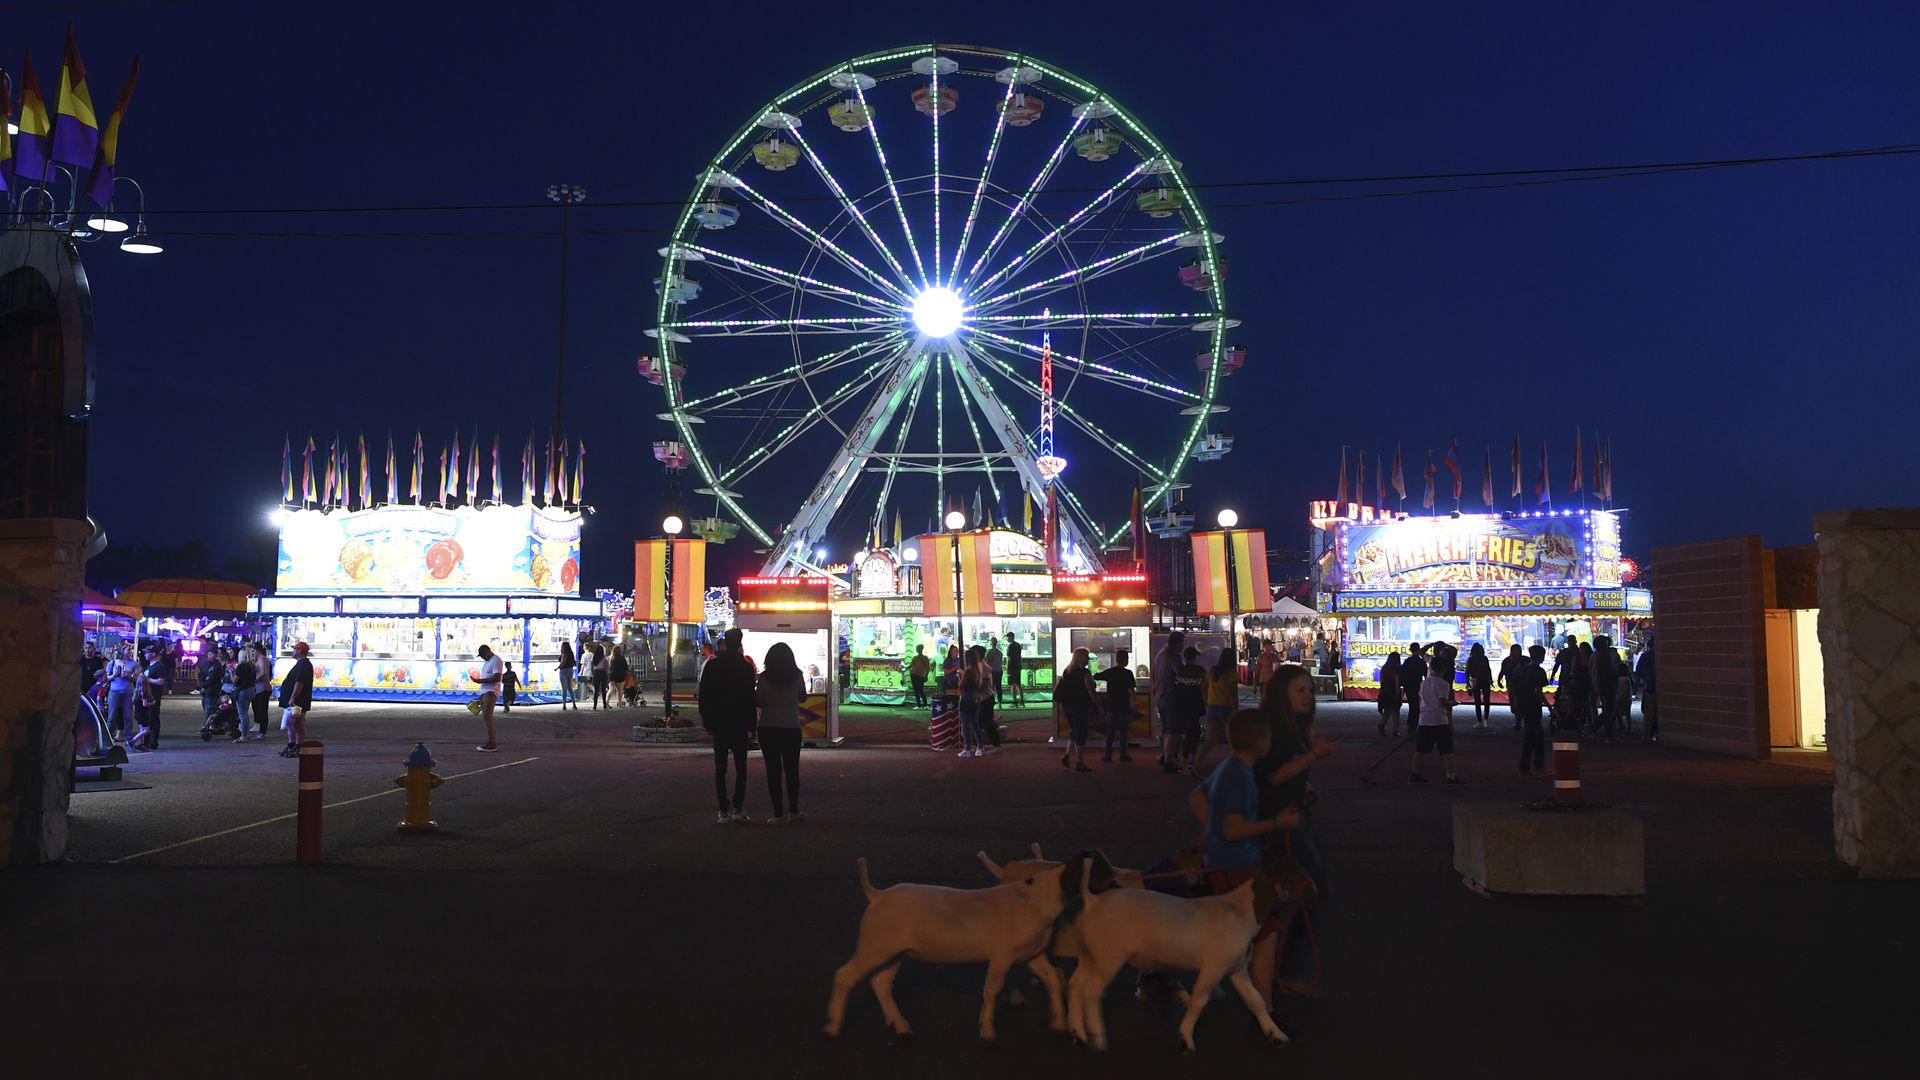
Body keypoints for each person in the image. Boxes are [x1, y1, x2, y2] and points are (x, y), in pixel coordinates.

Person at [1191, 708, 1298, 1011]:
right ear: (1261, 742)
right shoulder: (1240, 776)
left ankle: (1260, 1003)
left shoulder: (1229, 766)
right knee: (1266, 931)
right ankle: (1264, 1007)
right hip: (1236, 864)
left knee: (1251, 932)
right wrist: (1277, 823)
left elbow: (1197, 798)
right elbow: (1234, 829)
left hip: (1223, 860)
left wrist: (1211, 833)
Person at [1252, 666, 1339, 1000]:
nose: (1308, 696)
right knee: (1311, 891)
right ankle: (1285, 970)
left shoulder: (1289, 726)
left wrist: (1305, 783)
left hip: (1285, 817)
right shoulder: (1277, 728)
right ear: (1282, 693)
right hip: (1276, 823)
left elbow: (1285, 775)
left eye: (1310, 690)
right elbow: (1274, 776)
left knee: (1282, 897)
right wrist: (1313, 756)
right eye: (1300, 690)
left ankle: (1271, 968)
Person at [699, 627, 758, 823]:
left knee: (720, 767)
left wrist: (708, 721)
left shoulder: (713, 665)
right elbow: (750, 698)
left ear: (724, 643)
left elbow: (704, 696)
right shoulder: (746, 667)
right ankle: (737, 807)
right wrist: (752, 726)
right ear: (740, 643)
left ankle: (722, 809)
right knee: (741, 766)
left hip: (720, 722)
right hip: (739, 722)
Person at [755, 641, 807, 825]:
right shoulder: (797, 675)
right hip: (791, 728)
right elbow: (803, 697)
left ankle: (778, 815)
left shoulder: (764, 678)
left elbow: (759, 702)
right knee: (792, 771)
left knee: (773, 772)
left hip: (768, 728)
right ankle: (794, 811)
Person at [1410, 643, 1464, 785]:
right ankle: (1451, 776)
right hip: (1439, 720)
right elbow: (1442, 702)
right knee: (1447, 750)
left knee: (1420, 750)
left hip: (1424, 719)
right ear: (1444, 669)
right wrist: (1453, 704)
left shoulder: (1424, 683)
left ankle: (1414, 774)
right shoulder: (1444, 684)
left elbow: (1420, 699)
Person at [1190, 646, 1239, 776]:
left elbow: (1203, 687)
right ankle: (1236, 766)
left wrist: (1207, 700)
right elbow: (1233, 693)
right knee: (1233, 738)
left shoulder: (1213, 670)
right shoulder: (1231, 672)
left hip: (1212, 706)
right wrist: (1236, 709)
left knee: (1211, 739)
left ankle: (1198, 765)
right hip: (1225, 706)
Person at [1055, 647, 1097, 772]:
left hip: (1068, 706)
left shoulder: (1067, 670)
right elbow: (1091, 691)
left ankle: (1067, 755)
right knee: (1080, 734)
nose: (1088, 660)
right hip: (1080, 706)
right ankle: (1080, 762)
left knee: (1074, 731)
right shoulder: (1085, 673)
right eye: (1087, 657)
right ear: (1080, 658)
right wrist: (1099, 706)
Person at [1510, 644, 1551, 776]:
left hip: (1523, 705)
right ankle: (1535, 766)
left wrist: (1514, 703)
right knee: (1536, 737)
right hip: (1533, 706)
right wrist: (1549, 706)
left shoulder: (1521, 670)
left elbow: (1512, 685)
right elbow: (1538, 691)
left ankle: (1527, 766)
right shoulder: (1539, 671)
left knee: (1531, 735)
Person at [1094, 649, 1137, 763]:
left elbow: (1096, 676)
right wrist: (1134, 702)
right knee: (1123, 732)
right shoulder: (1128, 673)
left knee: (1110, 732)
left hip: (1111, 705)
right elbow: (1131, 690)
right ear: (1124, 660)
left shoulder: (1110, 672)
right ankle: (1123, 755)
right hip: (1123, 705)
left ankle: (1108, 755)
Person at [1152, 630, 1186, 769]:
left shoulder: (1160, 655)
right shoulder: (1173, 657)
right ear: (1178, 643)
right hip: (1172, 698)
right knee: (1174, 731)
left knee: (1165, 730)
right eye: (1182, 643)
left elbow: (1154, 675)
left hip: (1160, 696)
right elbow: (1181, 673)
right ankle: (1169, 761)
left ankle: (1163, 755)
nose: (1183, 646)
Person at [278, 641, 314, 759]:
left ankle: (299, 746)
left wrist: (292, 698)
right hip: (294, 701)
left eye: (294, 649)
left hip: (298, 700)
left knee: (299, 723)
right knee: (291, 724)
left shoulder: (303, 665)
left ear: (299, 651)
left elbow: (299, 683)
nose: (293, 651)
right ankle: (292, 745)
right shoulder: (301, 664)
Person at [129, 645, 168, 751]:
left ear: (153, 654)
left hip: (153, 697)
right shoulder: (149, 666)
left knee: (153, 719)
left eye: (147, 652)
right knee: (146, 720)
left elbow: (161, 681)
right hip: (146, 696)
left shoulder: (158, 666)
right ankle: (144, 742)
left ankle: (153, 742)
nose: (145, 654)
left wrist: (147, 679)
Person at [958, 646, 992, 758]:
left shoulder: (968, 671)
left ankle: (967, 748)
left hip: (966, 698)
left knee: (965, 725)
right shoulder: (977, 670)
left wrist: (960, 674)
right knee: (975, 724)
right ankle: (980, 747)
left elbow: (961, 685)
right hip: (974, 698)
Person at [471, 644, 504, 751]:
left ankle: (492, 742)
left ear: (488, 651)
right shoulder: (488, 662)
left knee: (487, 717)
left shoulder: (496, 660)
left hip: (491, 692)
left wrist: (480, 681)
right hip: (485, 692)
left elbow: (497, 677)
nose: (482, 657)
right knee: (485, 716)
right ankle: (490, 741)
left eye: (482, 655)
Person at [105, 643, 139, 743]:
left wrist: (129, 676)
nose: (130, 651)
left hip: (128, 691)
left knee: (127, 716)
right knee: (112, 715)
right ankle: (108, 736)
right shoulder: (114, 662)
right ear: (122, 651)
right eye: (128, 649)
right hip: (114, 691)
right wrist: (114, 675)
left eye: (130, 650)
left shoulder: (134, 663)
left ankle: (128, 736)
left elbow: (137, 678)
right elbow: (106, 678)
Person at [1590, 635, 1619, 742]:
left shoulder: (1594, 655)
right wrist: (1613, 683)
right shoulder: (1604, 655)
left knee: (1607, 710)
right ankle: (1593, 728)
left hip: (1597, 685)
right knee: (1609, 710)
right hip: (1607, 685)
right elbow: (1608, 671)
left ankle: (1609, 734)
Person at [1399, 644, 1428, 731]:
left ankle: (1411, 726)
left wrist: (1404, 686)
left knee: (1412, 706)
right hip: (1418, 687)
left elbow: (1402, 674)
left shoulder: (1407, 661)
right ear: (1418, 650)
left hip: (1409, 687)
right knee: (1417, 707)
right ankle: (1414, 726)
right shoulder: (1421, 662)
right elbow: (1426, 675)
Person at [1464, 643, 1493, 730]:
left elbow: (1467, 671)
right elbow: (1488, 669)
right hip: (1485, 681)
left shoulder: (1471, 659)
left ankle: (1479, 721)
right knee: (1487, 701)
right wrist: (1490, 679)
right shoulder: (1484, 658)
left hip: (1475, 681)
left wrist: (1467, 683)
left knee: (1477, 702)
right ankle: (1486, 720)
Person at [1497, 644, 1525, 729]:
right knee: (1514, 702)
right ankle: (1518, 720)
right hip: (1512, 683)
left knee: (1520, 702)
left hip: (1522, 684)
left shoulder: (1524, 660)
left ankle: (1519, 720)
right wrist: (1499, 680)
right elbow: (1502, 671)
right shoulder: (1508, 660)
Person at [198, 644, 226, 730]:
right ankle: (212, 724)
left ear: (216, 655)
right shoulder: (205, 664)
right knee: (206, 707)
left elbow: (213, 678)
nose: (210, 656)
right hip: (205, 691)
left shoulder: (217, 665)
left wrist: (206, 682)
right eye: (209, 654)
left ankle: (206, 726)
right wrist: (205, 680)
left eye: (212, 654)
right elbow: (201, 675)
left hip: (212, 690)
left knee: (209, 709)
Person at [1376, 651, 1403, 737]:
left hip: (1385, 692)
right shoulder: (1397, 669)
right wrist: (1398, 692)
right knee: (1396, 712)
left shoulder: (1384, 668)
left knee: (1387, 710)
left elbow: (1381, 682)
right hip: (1393, 691)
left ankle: (1382, 724)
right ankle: (1395, 731)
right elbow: (1397, 681)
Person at [1636, 642, 1659, 742]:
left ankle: (1645, 735)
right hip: (1662, 689)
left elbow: (1638, 672)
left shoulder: (1645, 656)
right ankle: (1656, 733)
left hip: (1649, 687)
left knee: (1648, 713)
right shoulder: (1663, 655)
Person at [557, 641, 578, 711]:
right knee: (570, 688)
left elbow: (562, 662)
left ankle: (564, 705)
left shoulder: (564, 654)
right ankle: (574, 704)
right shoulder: (571, 654)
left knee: (564, 689)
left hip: (563, 671)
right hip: (570, 670)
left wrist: (557, 668)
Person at [589, 642, 611, 709]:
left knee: (596, 690)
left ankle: (594, 706)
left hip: (596, 673)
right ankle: (604, 705)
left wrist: (593, 674)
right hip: (603, 673)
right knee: (603, 690)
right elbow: (606, 668)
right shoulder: (604, 658)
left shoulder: (594, 658)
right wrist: (608, 676)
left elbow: (591, 667)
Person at [1006, 634, 1025, 706]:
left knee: (1012, 684)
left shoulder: (1010, 646)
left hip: (1012, 667)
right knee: (1018, 684)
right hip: (1018, 667)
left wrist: (1007, 668)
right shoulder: (1018, 645)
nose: (1007, 638)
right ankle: (1022, 701)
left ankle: (1014, 702)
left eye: (1008, 637)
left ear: (1011, 637)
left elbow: (1009, 658)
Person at [987, 637, 1005, 706]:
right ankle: (1000, 703)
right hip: (999, 671)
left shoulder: (989, 651)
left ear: (991, 643)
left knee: (991, 687)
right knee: (998, 687)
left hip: (992, 671)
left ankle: (992, 702)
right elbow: (1001, 661)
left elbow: (986, 660)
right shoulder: (1000, 652)